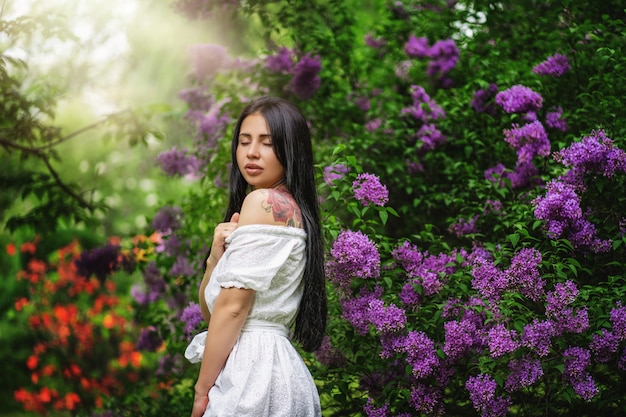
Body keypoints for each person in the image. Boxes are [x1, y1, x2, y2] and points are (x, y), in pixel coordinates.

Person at [184, 96, 327, 417]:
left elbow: (234, 309)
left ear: (290, 150)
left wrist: (201, 392)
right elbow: (214, 314)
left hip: (252, 379)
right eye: (244, 141)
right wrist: (214, 260)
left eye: (267, 143)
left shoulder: (262, 202)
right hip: (276, 371)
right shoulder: (292, 209)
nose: (251, 152)